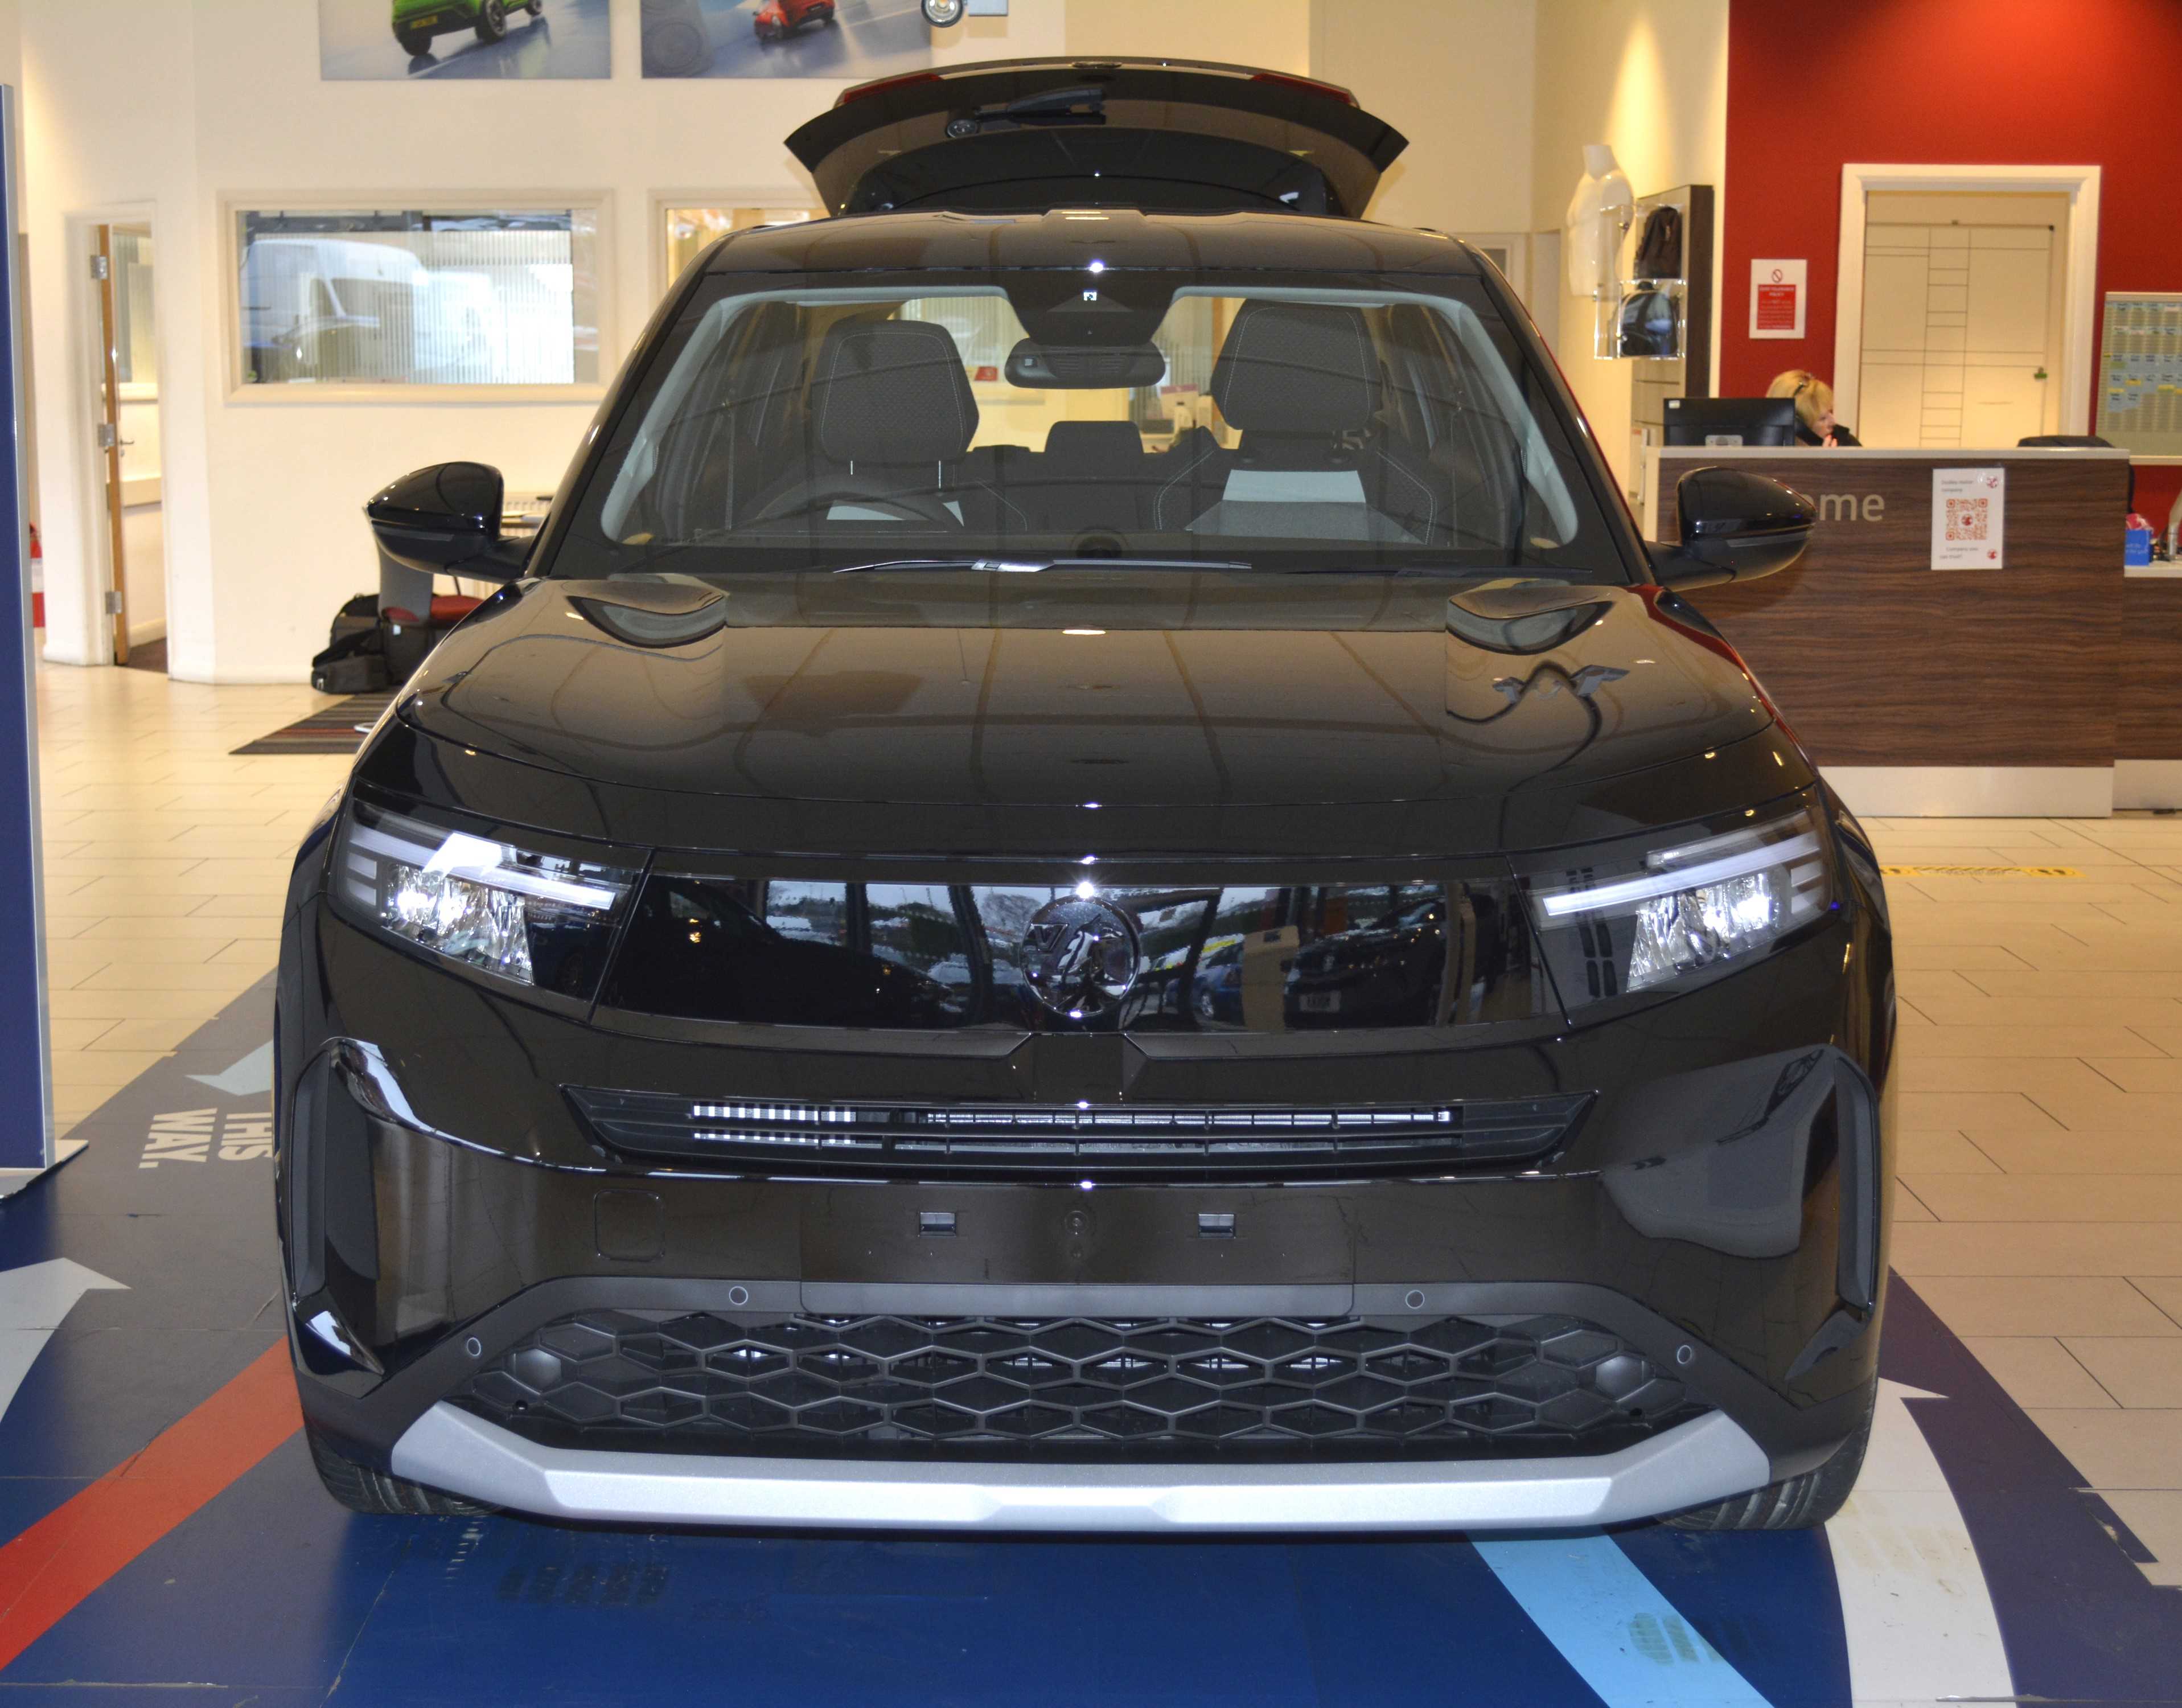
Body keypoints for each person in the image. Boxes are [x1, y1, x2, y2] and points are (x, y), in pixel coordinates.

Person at [1767, 370, 1860, 447]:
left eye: (1830, 412)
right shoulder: (1763, 451)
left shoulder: (1846, 443)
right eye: (1823, 418)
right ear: (1798, 426)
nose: (1833, 422)